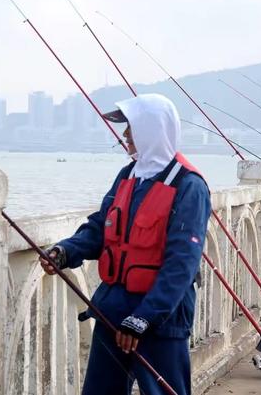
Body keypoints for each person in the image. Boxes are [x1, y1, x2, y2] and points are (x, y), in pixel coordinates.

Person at [39, 93, 211, 395]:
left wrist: (144, 318)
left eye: (131, 126)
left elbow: (182, 264)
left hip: (161, 319)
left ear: (152, 129)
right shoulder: (128, 175)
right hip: (114, 310)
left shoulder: (190, 186)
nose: (126, 135)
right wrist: (65, 252)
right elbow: (100, 227)